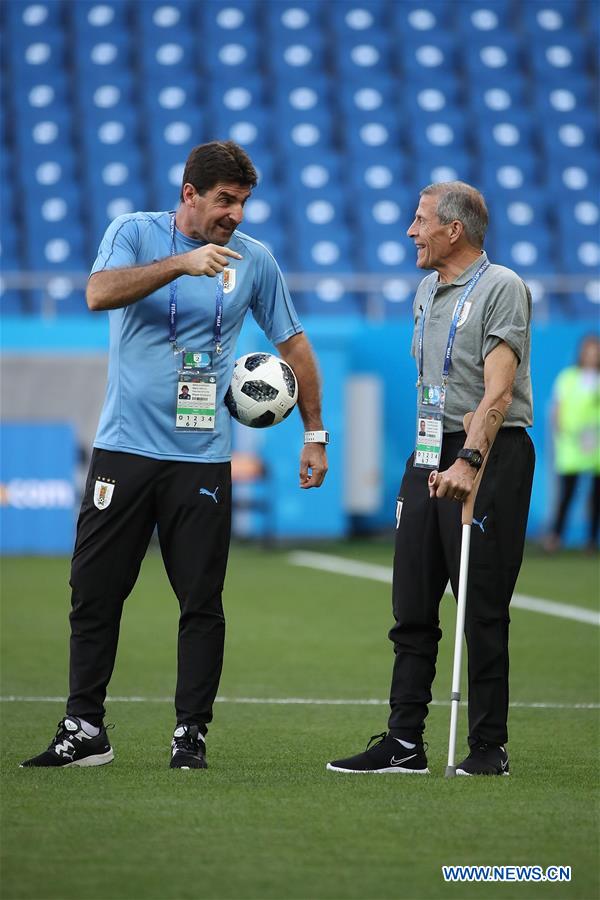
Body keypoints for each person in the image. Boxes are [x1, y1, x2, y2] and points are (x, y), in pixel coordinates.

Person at [21, 140, 329, 770]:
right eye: (225, 200)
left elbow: (294, 344)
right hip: (124, 450)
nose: (236, 215)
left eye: (243, 202)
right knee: (94, 592)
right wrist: (180, 265)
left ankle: (190, 735)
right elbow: (98, 293)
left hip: (201, 458)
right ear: (190, 193)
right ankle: (85, 728)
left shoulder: (256, 261)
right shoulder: (133, 233)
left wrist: (315, 432)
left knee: (201, 600)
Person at [327, 181, 534, 777]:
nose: (410, 232)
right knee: (412, 602)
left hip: (488, 451)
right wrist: (435, 461)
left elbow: (498, 390)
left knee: (482, 605)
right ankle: (403, 742)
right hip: (425, 451)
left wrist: (470, 461)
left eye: (419, 221)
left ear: (454, 229)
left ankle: (488, 747)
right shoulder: (423, 290)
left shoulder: (503, 288)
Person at [543, 334, 600, 553]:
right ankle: (555, 537)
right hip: (572, 445)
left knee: (596, 496)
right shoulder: (568, 378)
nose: (592, 356)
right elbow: (557, 407)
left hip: (596, 446)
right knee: (566, 494)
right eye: (589, 351)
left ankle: (591, 541)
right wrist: (560, 433)